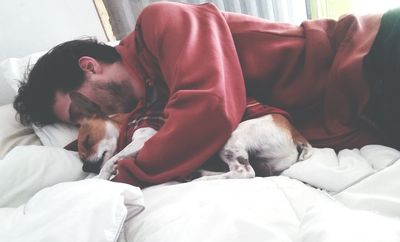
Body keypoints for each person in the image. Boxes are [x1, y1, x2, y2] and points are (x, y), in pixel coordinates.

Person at [13, 2, 400, 187]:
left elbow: (211, 106)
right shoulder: (146, 105)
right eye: (76, 123)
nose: (88, 121)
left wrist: (126, 175)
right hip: (367, 118)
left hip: (370, 56)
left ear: (89, 66)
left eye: (80, 109)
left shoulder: (160, 22)